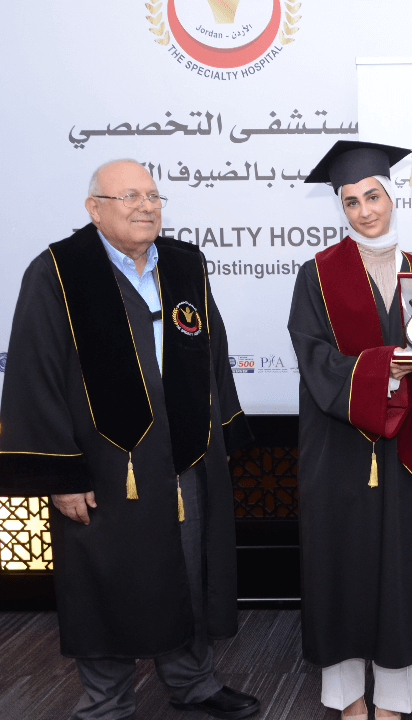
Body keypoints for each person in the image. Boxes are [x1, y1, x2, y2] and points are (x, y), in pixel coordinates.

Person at [0, 160, 259, 720]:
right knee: (105, 581)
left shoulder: (185, 264)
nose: (146, 206)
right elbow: (33, 373)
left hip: (183, 454)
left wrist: (220, 437)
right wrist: (61, 474)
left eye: (153, 196)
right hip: (103, 463)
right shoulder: (59, 271)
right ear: (94, 209)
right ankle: (107, 702)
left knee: (187, 570)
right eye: (129, 196)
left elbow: (212, 350)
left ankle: (193, 684)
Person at [288, 141, 412, 720]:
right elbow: (315, 360)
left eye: (373, 196)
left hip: (407, 448)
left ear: (392, 197)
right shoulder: (318, 275)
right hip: (338, 446)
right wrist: (385, 369)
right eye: (351, 202)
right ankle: (346, 696)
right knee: (340, 566)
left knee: (402, 571)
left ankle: (394, 697)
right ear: (341, 208)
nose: (365, 210)